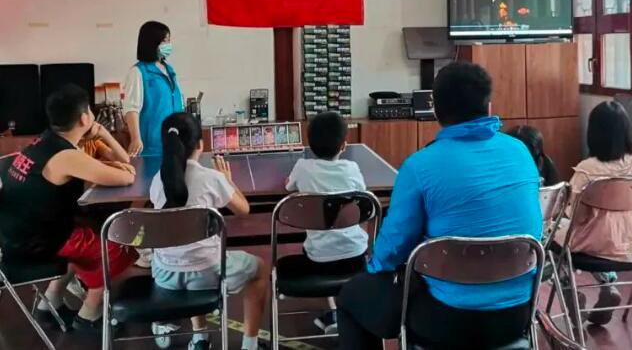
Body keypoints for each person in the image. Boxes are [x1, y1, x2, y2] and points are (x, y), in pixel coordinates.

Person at [337, 62, 543, 349]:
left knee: (350, 297)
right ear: (488, 106)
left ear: (435, 110)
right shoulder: (520, 152)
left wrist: (376, 273)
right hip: (517, 315)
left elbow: (393, 247)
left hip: (446, 321)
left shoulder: (419, 166)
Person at [0, 84, 140, 331]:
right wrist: (117, 164)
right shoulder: (66, 156)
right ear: (85, 118)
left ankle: (50, 303)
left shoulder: (43, 142)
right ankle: (89, 314)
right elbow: (127, 177)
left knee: (87, 234)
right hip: (36, 245)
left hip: (14, 238)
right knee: (117, 246)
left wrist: (111, 166)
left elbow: (102, 169)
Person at [149, 113, 268, 350]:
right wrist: (228, 180)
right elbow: (243, 210)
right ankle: (250, 345)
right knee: (260, 269)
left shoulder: (157, 181)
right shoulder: (212, 178)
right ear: (200, 145)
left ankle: (200, 338)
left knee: (190, 254)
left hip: (165, 274)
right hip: (208, 273)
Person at [555, 101, 632, 326]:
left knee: (554, 240)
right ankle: (608, 286)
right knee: (599, 238)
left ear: (594, 133)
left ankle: (572, 296)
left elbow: (576, 216)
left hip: (592, 243)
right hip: (629, 242)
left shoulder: (588, 169)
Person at [285, 111, 368, 334]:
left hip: (318, 258)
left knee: (323, 247)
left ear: (309, 144)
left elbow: (288, 187)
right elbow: (363, 195)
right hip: (356, 255)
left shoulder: (302, 167)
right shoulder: (352, 169)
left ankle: (334, 312)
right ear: (344, 145)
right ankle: (344, 312)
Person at [123, 21, 184, 158]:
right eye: (164, 41)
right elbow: (131, 108)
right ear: (152, 43)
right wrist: (136, 138)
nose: (168, 45)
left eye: (169, 40)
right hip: (152, 144)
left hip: (174, 142)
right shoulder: (138, 72)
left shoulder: (169, 70)